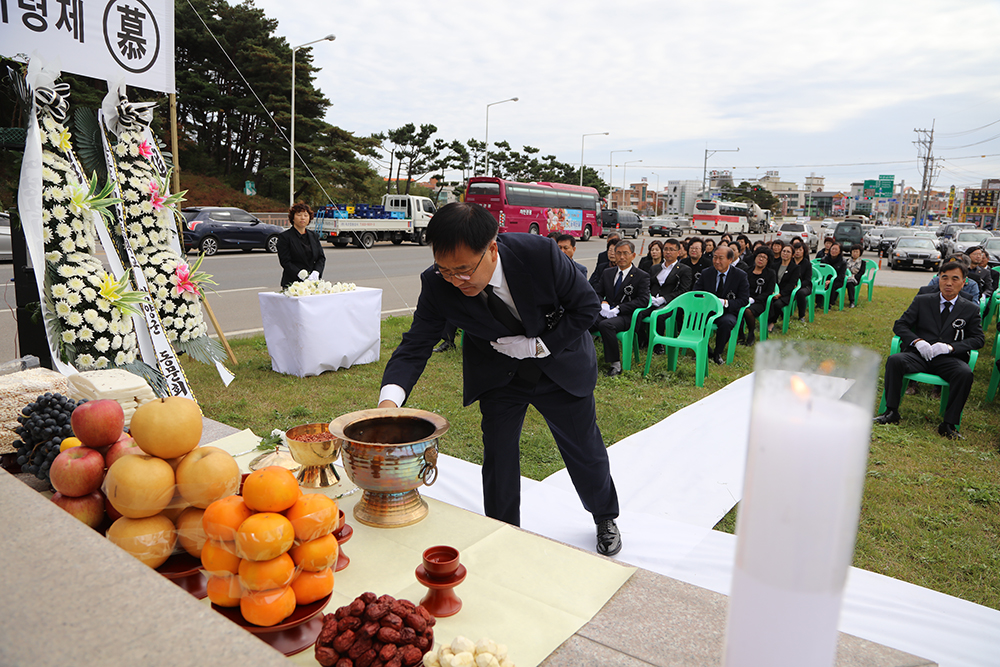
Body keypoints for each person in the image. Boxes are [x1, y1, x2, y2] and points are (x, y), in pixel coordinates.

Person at [378, 203, 622, 556]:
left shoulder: (539, 254)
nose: (455, 280)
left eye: (463, 270)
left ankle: (604, 516)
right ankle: (501, 530)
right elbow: (416, 343)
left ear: (492, 248)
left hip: (560, 367)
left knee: (584, 449)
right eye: (445, 270)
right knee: (499, 455)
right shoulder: (437, 283)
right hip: (501, 375)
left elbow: (585, 306)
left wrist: (538, 346)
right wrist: (390, 402)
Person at [874, 260, 984, 440]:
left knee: (964, 373)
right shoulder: (922, 300)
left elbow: (978, 339)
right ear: (938, 279)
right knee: (895, 360)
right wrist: (917, 341)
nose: (949, 283)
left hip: (948, 359)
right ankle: (891, 411)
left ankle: (948, 424)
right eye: (944, 278)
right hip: (920, 355)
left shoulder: (970, 308)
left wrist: (950, 347)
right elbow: (900, 325)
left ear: (964, 282)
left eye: (955, 279)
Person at [593, 240, 651, 377]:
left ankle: (615, 364)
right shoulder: (608, 272)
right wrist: (603, 303)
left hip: (627, 315)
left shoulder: (641, 276)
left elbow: (643, 300)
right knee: (585, 319)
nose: (621, 257)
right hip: (607, 311)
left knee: (606, 325)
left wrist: (620, 308)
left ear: (633, 255)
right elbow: (597, 292)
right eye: (618, 253)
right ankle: (584, 356)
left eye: (625, 253)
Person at [693, 246, 750, 365]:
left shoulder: (740, 275)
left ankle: (718, 352)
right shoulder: (706, 273)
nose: (717, 261)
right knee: (695, 320)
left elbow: (744, 300)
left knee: (726, 323)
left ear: (730, 260)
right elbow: (696, 293)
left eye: (721, 258)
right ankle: (706, 350)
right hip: (708, 310)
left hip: (727, 311)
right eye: (714, 257)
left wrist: (725, 302)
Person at [636, 238, 693, 352]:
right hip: (652, 300)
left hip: (670, 303)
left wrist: (664, 299)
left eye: (671, 250)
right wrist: (649, 296)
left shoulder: (684, 270)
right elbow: (647, 285)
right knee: (637, 313)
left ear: (678, 252)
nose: (668, 252)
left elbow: (683, 290)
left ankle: (658, 345)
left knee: (659, 316)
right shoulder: (655, 268)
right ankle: (643, 340)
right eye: (666, 249)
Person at [276, 202, 326, 289]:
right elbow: (285, 261)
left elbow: (321, 258)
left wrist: (316, 272)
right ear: (293, 218)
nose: (302, 218)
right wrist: (300, 274)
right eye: (299, 215)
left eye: (306, 215)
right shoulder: (284, 237)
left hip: (312, 283)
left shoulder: (313, 236)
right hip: (293, 283)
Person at [740, 247, 777, 346]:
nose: (761, 259)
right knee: (736, 308)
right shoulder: (747, 271)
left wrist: (754, 300)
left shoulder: (770, 274)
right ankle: (740, 335)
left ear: (768, 260)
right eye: (759, 256)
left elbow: (769, 292)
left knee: (748, 311)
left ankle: (751, 333)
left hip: (760, 301)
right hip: (745, 298)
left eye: (764, 257)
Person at [768, 245, 797, 333]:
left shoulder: (795, 268)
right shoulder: (774, 265)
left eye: (788, 252)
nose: (785, 253)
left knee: (777, 304)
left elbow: (791, 284)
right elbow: (771, 280)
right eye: (784, 251)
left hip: (786, 294)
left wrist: (780, 294)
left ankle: (772, 322)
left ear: (792, 255)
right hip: (774, 292)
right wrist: (773, 292)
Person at [792, 242, 813, 321]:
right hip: (792, 285)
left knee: (800, 293)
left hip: (805, 286)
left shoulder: (807, 264)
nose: (797, 252)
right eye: (796, 249)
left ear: (804, 251)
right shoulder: (790, 262)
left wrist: (798, 286)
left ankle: (802, 316)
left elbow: (808, 279)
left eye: (800, 250)